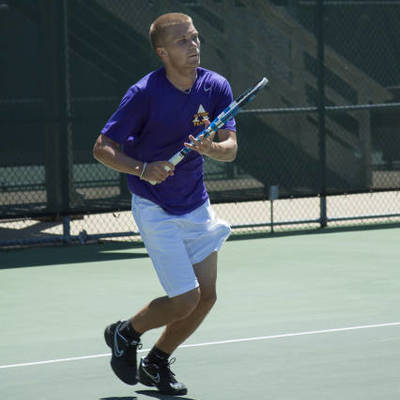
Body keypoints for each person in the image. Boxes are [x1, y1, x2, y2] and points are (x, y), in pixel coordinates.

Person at [93, 12, 237, 396]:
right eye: (182, 42)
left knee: (206, 297)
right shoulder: (143, 95)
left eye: (194, 38)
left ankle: (156, 364)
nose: (193, 46)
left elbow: (230, 148)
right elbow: (102, 148)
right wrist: (143, 168)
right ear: (162, 52)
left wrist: (211, 148)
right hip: (155, 208)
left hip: (197, 205)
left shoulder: (216, 86)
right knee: (185, 299)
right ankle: (126, 333)